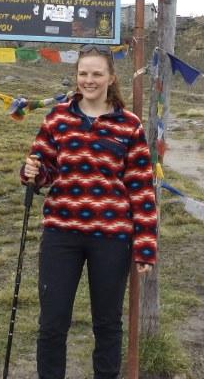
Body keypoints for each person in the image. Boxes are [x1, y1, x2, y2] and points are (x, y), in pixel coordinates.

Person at [20, 44, 157, 379]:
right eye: (83, 73)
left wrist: (145, 245)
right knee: (52, 323)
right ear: (76, 76)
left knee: (107, 324)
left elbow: (141, 188)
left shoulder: (129, 125)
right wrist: (31, 172)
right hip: (61, 233)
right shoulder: (57, 118)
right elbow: (44, 170)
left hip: (111, 238)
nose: (89, 80)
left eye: (97, 73)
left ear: (111, 78)